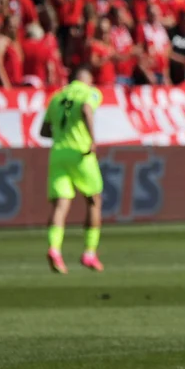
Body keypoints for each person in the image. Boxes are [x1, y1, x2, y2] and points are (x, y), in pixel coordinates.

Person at [39, 67, 104, 274]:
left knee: (60, 205)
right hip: (81, 154)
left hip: (58, 154)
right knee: (93, 202)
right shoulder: (90, 92)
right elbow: (86, 109)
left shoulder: (56, 97)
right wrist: (92, 139)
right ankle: (89, 253)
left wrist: (63, 134)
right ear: (88, 79)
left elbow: (44, 131)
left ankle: (54, 249)